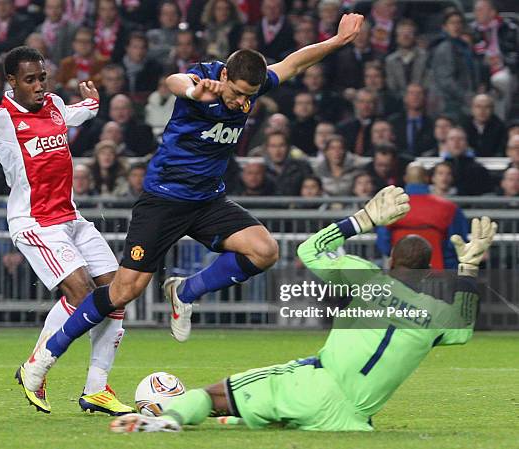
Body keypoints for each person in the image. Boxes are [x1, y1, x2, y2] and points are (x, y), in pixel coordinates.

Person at [18, 14, 367, 396]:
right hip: (164, 200)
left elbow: (294, 62)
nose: (241, 102)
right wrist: (193, 91)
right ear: (226, 76)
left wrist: (336, 40)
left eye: (249, 96)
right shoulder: (204, 80)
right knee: (122, 292)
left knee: (264, 250)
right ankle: (44, 358)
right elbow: (174, 81)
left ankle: (184, 292)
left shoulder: (249, 83)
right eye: (236, 92)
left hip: (207, 200)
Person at [109, 191, 497, 433]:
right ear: (428, 273)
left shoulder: (368, 276)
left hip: (315, 384)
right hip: (353, 420)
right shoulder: (434, 312)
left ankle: (166, 420)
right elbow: (463, 328)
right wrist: (468, 270)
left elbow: (309, 250)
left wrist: (362, 220)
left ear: (391, 259)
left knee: (214, 395)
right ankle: (238, 419)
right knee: (277, 420)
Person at [0, 47, 132, 416]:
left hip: (71, 218)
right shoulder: (0, 119)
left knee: (117, 293)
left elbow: (71, 116)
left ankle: (96, 389)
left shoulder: (55, 103)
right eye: (30, 80)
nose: (40, 86)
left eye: (42, 77)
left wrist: (91, 105)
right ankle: (37, 365)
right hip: (35, 223)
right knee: (82, 292)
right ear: (12, 81)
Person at [376, 163, 468, 269]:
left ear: (406, 179)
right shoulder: (449, 208)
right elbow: (457, 242)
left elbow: (383, 241)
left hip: (399, 270)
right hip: (437, 271)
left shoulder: (390, 207)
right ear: (427, 179)